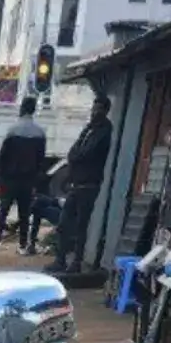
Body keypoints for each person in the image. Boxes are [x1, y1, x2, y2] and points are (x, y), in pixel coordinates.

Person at [49, 94, 113, 274]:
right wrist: (75, 157)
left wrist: (76, 156)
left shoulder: (104, 129)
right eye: (94, 108)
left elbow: (87, 153)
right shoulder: (88, 129)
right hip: (76, 184)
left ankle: (76, 262)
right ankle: (60, 260)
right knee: (63, 224)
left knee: (80, 225)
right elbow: (74, 151)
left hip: (89, 184)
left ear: (105, 111)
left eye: (99, 109)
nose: (95, 112)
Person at [0, 97, 47, 253]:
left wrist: (1, 176)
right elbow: (41, 160)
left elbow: (4, 156)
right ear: (34, 110)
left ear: (22, 108)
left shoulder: (13, 130)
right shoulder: (40, 133)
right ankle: (22, 245)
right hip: (28, 180)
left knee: (3, 211)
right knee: (24, 214)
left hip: (10, 179)